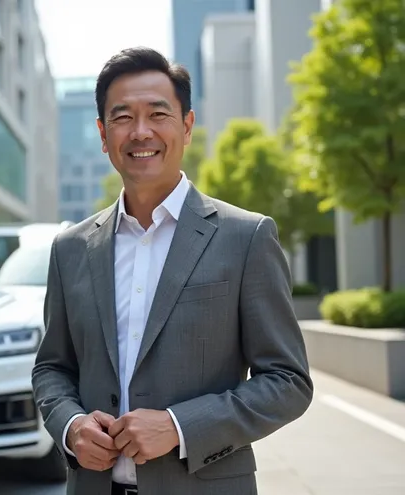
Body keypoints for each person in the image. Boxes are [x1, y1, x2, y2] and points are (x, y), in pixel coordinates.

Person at [31, 46, 314, 495]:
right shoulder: (70, 248)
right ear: (104, 136)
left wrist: (180, 426)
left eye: (157, 114)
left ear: (186, 126)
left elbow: (288, 382)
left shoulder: (246, 237)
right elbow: (52, 367)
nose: (140, 132)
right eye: (122, 118)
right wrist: (70, 426)